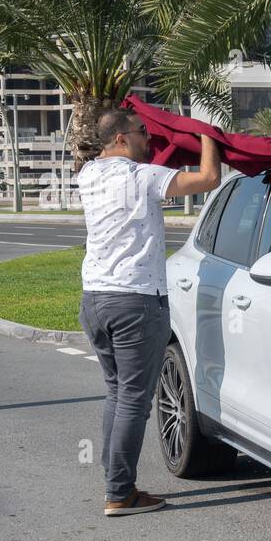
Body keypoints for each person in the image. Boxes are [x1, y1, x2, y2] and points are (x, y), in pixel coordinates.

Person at [76, 109, 222, 516]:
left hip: (95, 300)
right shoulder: (142, 177)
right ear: (121, 139)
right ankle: (119, 493)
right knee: (134, 401)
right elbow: (209, 178)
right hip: (135, 301)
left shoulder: (88, 175)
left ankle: (115, 483)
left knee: (118, 393)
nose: (149, 140)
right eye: (142, 133)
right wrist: (206, 134)